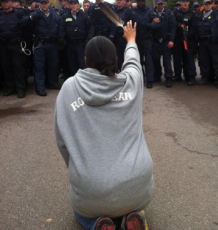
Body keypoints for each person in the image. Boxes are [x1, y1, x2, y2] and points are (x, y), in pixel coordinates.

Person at [55, 21, 153, 230]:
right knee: (132, 201)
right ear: (116, 59)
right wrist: (131, 40)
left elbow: (63, 143)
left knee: (80, 209)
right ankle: (132, 215)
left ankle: (97, 223)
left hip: (91, 188)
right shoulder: (131, 82)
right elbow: (134, 62)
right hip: (137, 184)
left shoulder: (68, 88)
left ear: (85, 60)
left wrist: (80, 171)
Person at [25, 0, 62, 96]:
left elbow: (60, 27)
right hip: (40, 44)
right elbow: (23, 23)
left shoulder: (55, 14)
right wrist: (31, 17)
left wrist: (60, 40)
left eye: (46, 3)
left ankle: (53, 83)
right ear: (39, 4)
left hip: (52, 43)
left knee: (53, 65)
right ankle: (40, 88)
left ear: (49, 3)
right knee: (39, 67)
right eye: (42, 3)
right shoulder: (35, 14)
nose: (44, 5)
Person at [125, 0, 158, 89]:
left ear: (144, 1)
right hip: (137, 39)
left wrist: (148, 25)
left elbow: (157, 24)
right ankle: (139, 79)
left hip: (147, 38)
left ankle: (150, 80)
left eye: (142, 1)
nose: (140, 2)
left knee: (148, 60)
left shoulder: (150, 11)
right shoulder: (132, 11)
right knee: (138, 61)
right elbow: (126, 22)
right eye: (139, 1)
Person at [0, 0, 28, 98]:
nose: (4, 3)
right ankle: (10, 88)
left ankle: (20, 89)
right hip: (3, 45)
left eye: (6, 1)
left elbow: (25, 27)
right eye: (2, 2)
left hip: (16, 44)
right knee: (7, 67)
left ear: (11, 2)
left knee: (18, 67)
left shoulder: (18, 14)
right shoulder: (0, 14)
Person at [60, 0, 94, 77]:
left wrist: (87, 40)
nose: (73, 5)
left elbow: (91, 28)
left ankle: (85, 82)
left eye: (75, 4)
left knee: (82, 63)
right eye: (71, 4)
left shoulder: (84, 16)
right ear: (69, 5)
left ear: (78, 5)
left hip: (81, 44)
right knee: (72, 65)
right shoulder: (65, 16)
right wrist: (61, 39)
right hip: (70, 45)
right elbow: (61, 28)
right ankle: (75, 83)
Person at [197, 0, 218, 89]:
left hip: (213, 42)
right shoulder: (200, 15)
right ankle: (206, 77)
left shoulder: (217, 15)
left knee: (217, 61)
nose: (207, 6)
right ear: (203, 5)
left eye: (209, 4)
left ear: (212, 5)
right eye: (206, 4)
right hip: (202, 42)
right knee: (204, 61)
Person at [172, 0, 197, 85]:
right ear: (181, 3)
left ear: (189, 3)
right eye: (183, 2)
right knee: (177, 58)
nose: (185, 3)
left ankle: (191, 76)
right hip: (178, 39)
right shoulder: (176, 13)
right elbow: (173, 25)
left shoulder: (192, 14)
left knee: (189, 58)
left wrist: (188, 35)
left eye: (187, 1)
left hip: (188, 39)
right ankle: (178, 75)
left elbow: (194, 27)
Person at [152, 0, 176, 87]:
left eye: (161, 4)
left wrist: (171, 40)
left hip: (166, 40)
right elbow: (148, 25)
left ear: (164, 4)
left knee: (167, 60)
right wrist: (152, 22)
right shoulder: (152, 13)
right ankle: (157, 76)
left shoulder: (169, 13)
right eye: (158, 4)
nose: (160, 5)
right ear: (156, 4)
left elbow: (173, 27)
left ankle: (168, 77)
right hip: (156, 40)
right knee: (155, 59)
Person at [114, 0, 127, 71]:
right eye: (117, 0)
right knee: (118, 57)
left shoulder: (127, 11)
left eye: (120, 0)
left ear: (124, 1)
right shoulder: (114, 11)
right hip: (116, 38)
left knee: (125, 56)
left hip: (124, 37)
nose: (119, 1)